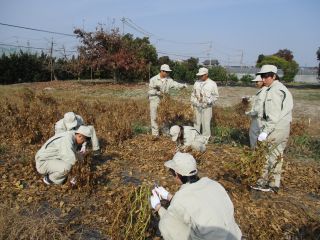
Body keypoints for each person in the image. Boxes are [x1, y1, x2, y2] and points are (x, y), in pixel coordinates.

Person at [150, 152, 242, 240]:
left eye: (172, 173)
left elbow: (172, 218)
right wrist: (168, 196)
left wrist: (158, 207)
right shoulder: (212, 184)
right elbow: (195, 204)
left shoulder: (181, 198)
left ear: (177, 175)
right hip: (234, 235)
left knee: (166, 223)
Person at [251, 65, 293, 192]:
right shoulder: (282, 88)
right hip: (284, 127)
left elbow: (273, 116)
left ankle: (263, 182)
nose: (263, 80)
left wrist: (265, 132)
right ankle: (274, 184)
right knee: (277, 155)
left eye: (266, 76)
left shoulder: (274, 91)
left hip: (275, 128)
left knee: (265, 155)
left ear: (274, 76)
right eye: (262, 76)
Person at [148, 64, 187, 137]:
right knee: (154, 117)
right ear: (162, 71)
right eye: (166, 72)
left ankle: (165, 133)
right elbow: (149, 91)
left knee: (165, 116)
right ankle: (155, 134)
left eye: (168, 72)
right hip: (154, 100)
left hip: (164, 101)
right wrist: (156, 92)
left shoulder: (169, 80)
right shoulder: (153, 79)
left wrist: (183, 85)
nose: (168, 73)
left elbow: (175, 84)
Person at [191, 67, 219, 142]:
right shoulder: (196, 83)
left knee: (206, 123)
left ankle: (205, 139)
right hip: (197, 106)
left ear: (206, 74)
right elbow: (193, 94)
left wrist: (209, 101)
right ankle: (195, 137)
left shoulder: (212, 84)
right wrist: (194, 102)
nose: (200, 77)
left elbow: (216, 96)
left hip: (207, 107)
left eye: (202, 75)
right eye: (199, 75)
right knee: (196, 122)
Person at [245, 75, 267, 148]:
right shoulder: (262, 91)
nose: (256, 83)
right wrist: (249, 99)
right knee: (258, 135)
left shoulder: (263, 91)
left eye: (257, 81)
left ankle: (255, 151)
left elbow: (258, 107)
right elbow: (256, 101)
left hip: (259, 118)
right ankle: (258, 151)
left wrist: (249, 113)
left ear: (263, 81)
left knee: (254, 134)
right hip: (259, 117)